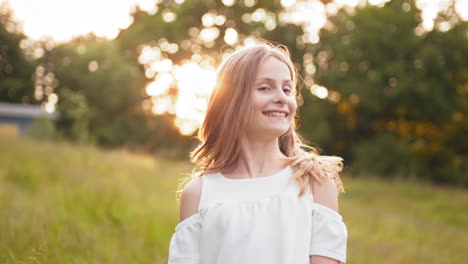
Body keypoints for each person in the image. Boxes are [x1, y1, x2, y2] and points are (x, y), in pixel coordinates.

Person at [168, 41, 347, 264]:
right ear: (230, 101)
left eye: (287, 89)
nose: (281, 97)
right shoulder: (198, 193)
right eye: (265, 87)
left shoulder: (314, 181)